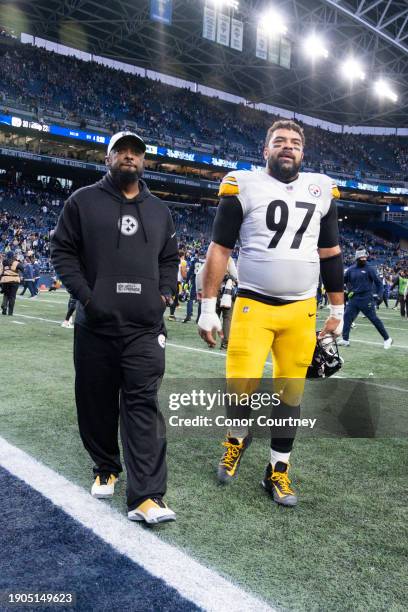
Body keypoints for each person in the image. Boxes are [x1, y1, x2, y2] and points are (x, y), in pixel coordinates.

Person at [198, 119, 344, 507]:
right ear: (265, 150)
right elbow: (220, 250)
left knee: (290, 395)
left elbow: (330, 253)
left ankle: (277, 471)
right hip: (253, 304)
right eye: (279, 141)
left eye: (295, 142)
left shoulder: (322, 189)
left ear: (303, 152)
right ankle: (236, 440)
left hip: (301, 310)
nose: (287, 147)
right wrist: (208, 307)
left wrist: (338, 307)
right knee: (239, 384)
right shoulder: (243, 184)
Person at [51, 131, 179, 525]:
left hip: (144, 328)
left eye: (136, 153)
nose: (129, 157)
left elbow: (170, 258)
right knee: (96, 401)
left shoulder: (160, 211)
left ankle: (147, 497)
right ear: (108, 159)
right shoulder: (82, 201)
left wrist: (164, 294)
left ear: (144, 162)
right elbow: (62, 251)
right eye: (121, 151)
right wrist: (88, 298)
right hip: (96, 326)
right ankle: (105, 465)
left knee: (142, 404)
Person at [338, 248, 392, 348]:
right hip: (354, 299)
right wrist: (344, 291)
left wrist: (379, 295)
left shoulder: (370, 269)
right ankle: (345, 340)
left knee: (374, 319)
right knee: (347, 317)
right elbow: (343, 281)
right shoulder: (350, 270)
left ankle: (387, 339)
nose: (364, 259)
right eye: (361, 257)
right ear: (357, 258)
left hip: (366, 299)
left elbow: (379, 284)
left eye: (365, 257)